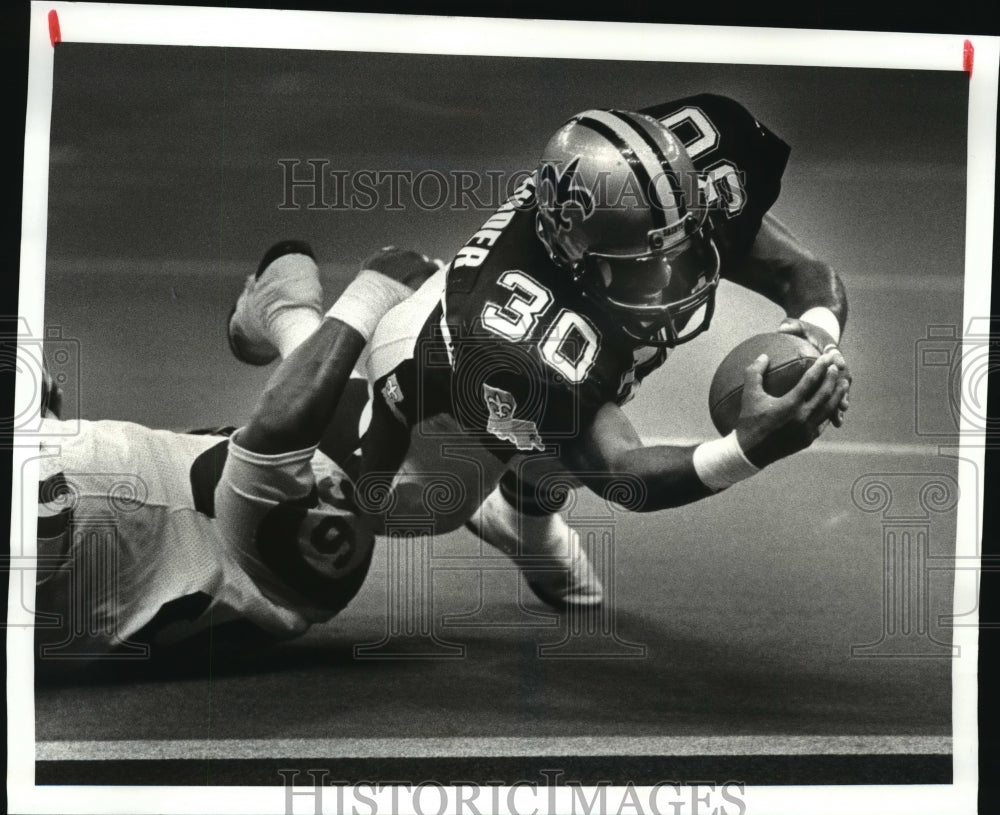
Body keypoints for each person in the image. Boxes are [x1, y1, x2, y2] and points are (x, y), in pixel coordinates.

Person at [227, 94, 852, 611]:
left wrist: (816, 341)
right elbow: (620, 472)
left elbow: (806, 274)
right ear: (573, 251)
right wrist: (745, 450)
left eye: (681, 249)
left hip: (530, 355)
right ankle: (291, 313)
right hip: (434, 363)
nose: (673, 280)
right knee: (408, 508)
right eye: (643, 269)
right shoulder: (520, 348)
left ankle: (524, 518)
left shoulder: (659, 197)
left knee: (561, 420)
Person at [33, 255, 421, 665]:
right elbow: (281, 426)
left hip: (197, 547)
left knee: (355, 431)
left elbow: (287, 428)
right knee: (348, 428)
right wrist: (375, 288)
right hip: (250, 544)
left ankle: (285, 304)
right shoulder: (295, 534)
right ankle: (284, 306)